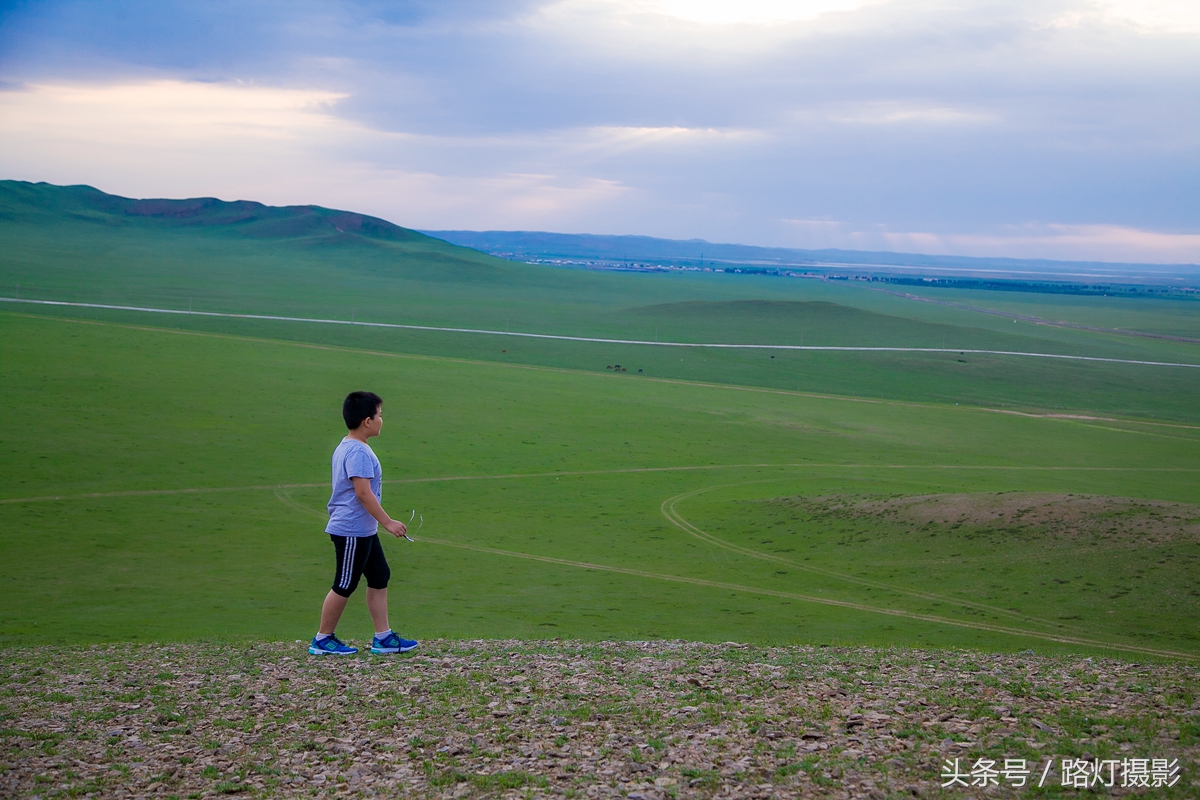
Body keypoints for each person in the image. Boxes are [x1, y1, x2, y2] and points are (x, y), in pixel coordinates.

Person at [309, 391, 419, 656]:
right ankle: (322, 639)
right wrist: (388, 522)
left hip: (363, 529)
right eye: (379, 415)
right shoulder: (357, 451)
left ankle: (383, 637)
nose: (382, 420)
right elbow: (363, 493)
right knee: (345, 582)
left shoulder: (349, 445)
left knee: (380, 575)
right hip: (351, 530)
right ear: (367, 421)